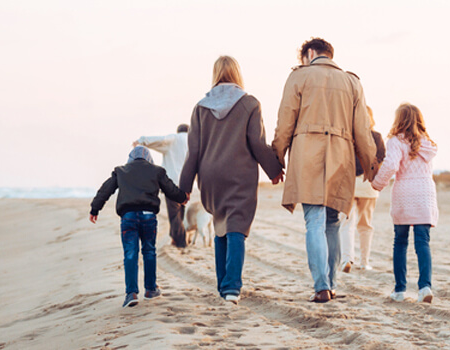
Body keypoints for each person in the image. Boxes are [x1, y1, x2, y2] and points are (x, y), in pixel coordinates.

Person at [271, 37, 378, 303]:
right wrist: (370, 166)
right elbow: (363, 131)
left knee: (314, 221)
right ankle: (331, 282)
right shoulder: (352, 82)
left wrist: (277, 158)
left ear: (309, 53)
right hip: (341, 156)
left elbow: (285, 122)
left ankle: (321, 286)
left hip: (308, 154)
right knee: (333, 222)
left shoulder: (299, 77)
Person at [179, 56, 283, 304]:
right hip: (239, 174)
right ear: (237, 74)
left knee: (220, 224)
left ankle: (223, 285)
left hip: (210, 175)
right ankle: (232, 288)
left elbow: (193, 151)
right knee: (236, 226)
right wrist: (274, 169)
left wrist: (183, 188)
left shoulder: (201, 107)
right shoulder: (249, 104)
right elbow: (257, 143)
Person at [90, 146, 189, 307]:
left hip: (128, 217)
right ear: (148, 158)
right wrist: (183, 197)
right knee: (149, 251)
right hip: (149, 216)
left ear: (131, 158)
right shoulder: (157, 171)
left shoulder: (121, 171)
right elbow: (171, 189)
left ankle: (131, 294)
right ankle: (150, 290)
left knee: (130, 253)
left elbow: (105, 190)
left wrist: (95, 208)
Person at [371, 103, 438, 303]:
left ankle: (400, 290)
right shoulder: (427, 143)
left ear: (398, 119)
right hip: (425, 194)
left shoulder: (395, 141)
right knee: (422, 243)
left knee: (400, 242)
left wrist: (377, 183)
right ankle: (425, 287)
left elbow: (391, 165)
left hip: (405, 194)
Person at [339, 106, 386, 272]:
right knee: (365, 224)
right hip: (368, 185)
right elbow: (381, 158)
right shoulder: (377, 136)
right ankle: (364, 262)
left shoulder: (347, 136)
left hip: (349, 183)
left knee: (346, 222)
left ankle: (346, 259)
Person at [134, 125, 190, 247]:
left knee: (174, 213)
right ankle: (175, 238)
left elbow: (162, 140)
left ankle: (181, 242)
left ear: (178, 131)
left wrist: (141, 141)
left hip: (172, 183)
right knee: (181, 211)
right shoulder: (192, 140)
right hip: (186, 183)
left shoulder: (174, 139)